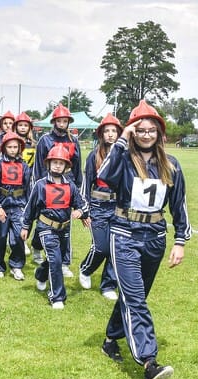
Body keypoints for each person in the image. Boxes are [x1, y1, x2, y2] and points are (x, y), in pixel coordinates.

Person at [97, 100, 191, 379]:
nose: (146, 134)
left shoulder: (171, 164)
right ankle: (149, 363)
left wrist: (180, 241)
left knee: (131, 296)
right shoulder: (123, 158)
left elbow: (179, 205)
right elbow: (103, 176)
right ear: (133, 132)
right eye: (141, 130)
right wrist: (123, 140)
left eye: (152, 130)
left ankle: (111, 340)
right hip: (124, 234)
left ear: (159, 133)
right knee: (136, 299)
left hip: (155, 237)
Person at [21, 143, 89, 309]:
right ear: (48, 164)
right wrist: (25, 227)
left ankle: (40, 274)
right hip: (46, 228)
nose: (58, 165)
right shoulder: (40, 185)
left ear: (66, 166)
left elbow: (81, 203)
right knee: (56, 261)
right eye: (55, 162)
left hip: (64, 229)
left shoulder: (71, 186)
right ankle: (57, 297)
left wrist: (81, 213)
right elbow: (30, 208)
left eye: (61, 163)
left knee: (54, 260)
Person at [32, 103, 82, 276]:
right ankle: (37, 246)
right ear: (54, 122)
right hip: (48, 183)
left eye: (65, 121)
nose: (62, 124)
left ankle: (65, 262)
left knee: (65, 224)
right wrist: (37, 186)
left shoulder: (73, 140)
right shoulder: (45, 140)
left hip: (68, 183)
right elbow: (38, 165)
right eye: (59, 121)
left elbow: (77, 164)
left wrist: (78, 186)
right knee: (44, 220)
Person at [79, 113, 121, 300]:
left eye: (114, 131)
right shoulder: (94, 155)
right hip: (98, 206)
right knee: (101, 247)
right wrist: (84, 210)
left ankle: (108, 285)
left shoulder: (126, 156)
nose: (111, 134)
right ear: (101, 134)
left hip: (119, 208)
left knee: (115, 248)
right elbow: (86, 184)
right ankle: (85, 269)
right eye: (107, 131)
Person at [0, 131, 32, 280]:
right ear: (4, 148)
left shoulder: (25, 166)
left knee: (18, 237)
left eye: (16, 147)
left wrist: (28, 210)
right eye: (10, 147)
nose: (13, 149)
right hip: (3, 206)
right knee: (1, 237)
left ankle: (16, 265)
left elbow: (29, 189)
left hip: (19, 206)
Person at [14, 111, 37, 257]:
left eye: (25, 125)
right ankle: (19, 241)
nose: (23, 128)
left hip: (30, 183)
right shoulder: (12, 143)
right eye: (20, 125)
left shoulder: (34, 144)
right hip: (15, 183)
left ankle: (25, 238)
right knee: (17, 212)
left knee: (30, 212)